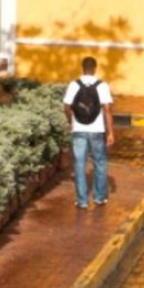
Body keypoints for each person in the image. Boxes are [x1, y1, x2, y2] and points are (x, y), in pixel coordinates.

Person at [63, 57, 114, 212]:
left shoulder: (74, 84)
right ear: (95, 68)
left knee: (79, 164)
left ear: (82, 68)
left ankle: (82, 201)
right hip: (97, 130)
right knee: (100, 161)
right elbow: (107, 110)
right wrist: (110, 132)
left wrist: (71, 120)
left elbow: (66, 106)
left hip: (78, 129)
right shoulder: (102, 85)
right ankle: (99, 197)